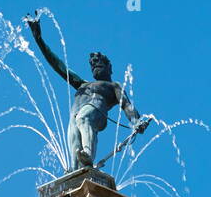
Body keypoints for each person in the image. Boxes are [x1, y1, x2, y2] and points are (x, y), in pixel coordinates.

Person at [25, 12, 150, 169]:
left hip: (95, 110)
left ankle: (88, 154)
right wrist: (39, 39)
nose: (95, 66)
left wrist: (136, 121)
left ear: (109, 67)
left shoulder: (114, 86)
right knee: (73, 145)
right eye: (92, 65)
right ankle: (76, 171)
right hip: (74, 114)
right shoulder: (82, 83)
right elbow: (57, 64)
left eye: (99, 63)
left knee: (84, 118)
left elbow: (126, 105)